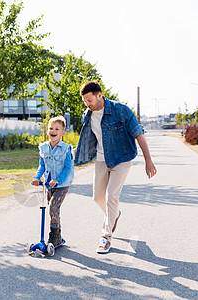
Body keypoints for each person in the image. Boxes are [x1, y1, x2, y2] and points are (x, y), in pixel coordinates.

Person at [74, 81, 157, 254]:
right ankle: (114, 214)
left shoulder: (121, 110)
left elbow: (138, 133)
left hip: (121, 159)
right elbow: (89, 139)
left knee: (111, 196)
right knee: (97, 198)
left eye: (89, 100)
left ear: (99, 95)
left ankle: (106, 238)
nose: (87, 104)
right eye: (84, 101)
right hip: (102, 160)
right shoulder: (87, 115)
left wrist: (149, 160)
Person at [32, 116, 74, 246]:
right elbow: (42, 166)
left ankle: (54, 235)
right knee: (53, 210)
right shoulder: (43, 147)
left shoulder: (66, 149)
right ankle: (58, 236)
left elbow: (67, 169)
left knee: (53, 207)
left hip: (62, 185)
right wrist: (37, 177)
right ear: (47, 131)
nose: (53, 131)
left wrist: (57, 180)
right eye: (51, 128)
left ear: (62, 133)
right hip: (48, 184)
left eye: (57, 129)